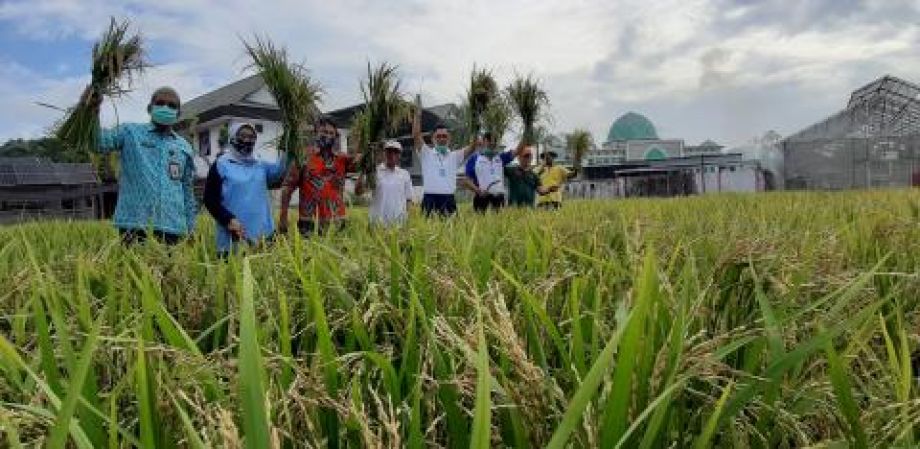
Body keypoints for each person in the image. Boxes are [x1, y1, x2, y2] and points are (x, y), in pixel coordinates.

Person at [84, 85, 197, 245]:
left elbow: (186, 190)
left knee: (170, 270)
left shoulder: (184, 146)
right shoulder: (130, 133)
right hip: (134, 224)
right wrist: (91, 112)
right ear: (150, 108)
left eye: (172, 106)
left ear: (178, 113)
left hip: (173, 227)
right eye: (160, 103)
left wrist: (191, 227)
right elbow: (96, 143)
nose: (166, 108)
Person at [203, 122, 286, 256]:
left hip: (263, 234)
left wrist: (288, 145)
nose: (247, 140)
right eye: (242, 136)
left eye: (252, 137)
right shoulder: (221, 164)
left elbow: (279, 172)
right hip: (234, 232)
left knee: (263, 273)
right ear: (232, 137)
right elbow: (210, 199)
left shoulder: (259, 164)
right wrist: (228, 220)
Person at [279, 117, 359, 237]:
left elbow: (362, 165)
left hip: (337, 221)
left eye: (331, 133)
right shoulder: (303, 158)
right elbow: (287, 188)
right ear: (316, 134)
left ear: (336, 136)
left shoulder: (342, 159)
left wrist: (365, 152)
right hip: (309, 222)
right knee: (309, 255)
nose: (327, 135)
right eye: (324, 132)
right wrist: (283, 216)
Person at [412, 96, 475, 217]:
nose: (441, 139)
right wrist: (418, 115)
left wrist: (475, 121)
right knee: (427, 233)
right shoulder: (426, 153)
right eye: (438, 136)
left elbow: (472, 148)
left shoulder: (454, 156)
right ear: (433, 139)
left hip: (449, 200)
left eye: (444, 136)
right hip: (429, 200)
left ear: (449, 139)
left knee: (451, 234)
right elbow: (416, 135)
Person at [463, 133, 525, 213]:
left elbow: (518, 150)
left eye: (494, 141)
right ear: (483, 142)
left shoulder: (500, 158)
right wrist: (478, 191)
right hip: (482, 197)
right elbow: (466, 180)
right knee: (480, 223)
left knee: (499, 223)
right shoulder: (474, 159)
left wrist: (527, 126)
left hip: (498, 197)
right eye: (489, 140)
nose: (492, 143)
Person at [362, 140, 414, 227]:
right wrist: (363, 170)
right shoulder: (375, 172)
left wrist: (407, 219)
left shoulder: (405, 174)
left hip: (398, 224)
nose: (392, 154)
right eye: (389, 151)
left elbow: (409, 199)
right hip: (377, 223)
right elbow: (359, 191)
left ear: (400, 155)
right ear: (384, 153)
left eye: (396, 152)